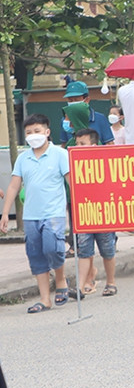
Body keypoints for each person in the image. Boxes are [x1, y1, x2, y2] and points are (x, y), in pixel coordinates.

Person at [0, 114, 71, 313]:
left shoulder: (59, 154)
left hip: (54, 213)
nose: (33, 135)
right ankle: (44, 298)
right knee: (35, 255)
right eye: (29, 132)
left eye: (37, 131)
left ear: (47, 132)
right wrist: (5, 213)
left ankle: (60, 279)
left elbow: (70, 181)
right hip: (31, 215)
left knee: (53, 248)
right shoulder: (23, 158)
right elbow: (14, 186)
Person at [72, 128, 118, 298]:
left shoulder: (105, 162)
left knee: (107, 250)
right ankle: (80, 287)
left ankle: (111, 282)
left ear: (94, 144)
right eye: (76, 144)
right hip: (84, 212)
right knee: (84, 251)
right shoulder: (73, 164)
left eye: (82, 144)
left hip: (104, 213)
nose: (78, 147)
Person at [61, 81, 114, 146]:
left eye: (76, 100)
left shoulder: (100, 119)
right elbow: (64, 144)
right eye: (70, 100)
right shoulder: (65, 120)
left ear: (87, 100)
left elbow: (109, 144)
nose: (73, 103)